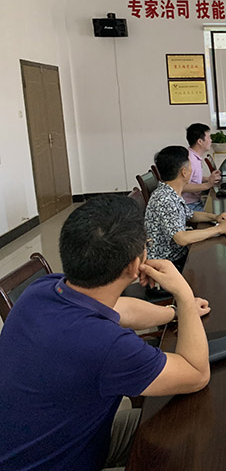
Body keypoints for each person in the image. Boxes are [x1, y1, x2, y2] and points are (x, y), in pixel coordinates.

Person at [0, 195, 211, 470]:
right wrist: (183, 292)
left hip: (49, 442)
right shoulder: (107, 345)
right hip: (62, 460)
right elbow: (196, 373)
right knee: (195, 426)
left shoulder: (43, 290)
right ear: (135, 265)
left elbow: (122, 308)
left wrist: (175, 312)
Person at [146, 146, 226, 270]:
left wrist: (216, 217)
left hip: (177, 257)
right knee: (219, 265)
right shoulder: (165, 199)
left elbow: (191, 215)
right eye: (190, 165)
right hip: (168, 264)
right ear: (184, 172)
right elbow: (181, 238)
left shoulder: (170, 192)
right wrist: (219, 229)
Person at [181, 123, 222, 212]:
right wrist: (207, 185)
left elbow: (193, 178)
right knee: (219, 213)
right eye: (209, 137)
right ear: (200, 141)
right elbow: (182, 186)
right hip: (189, 206)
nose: (211, 140)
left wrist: (208, 179)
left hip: (195, 202)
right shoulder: (190, 160)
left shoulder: (194, 156)